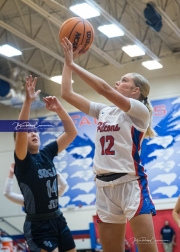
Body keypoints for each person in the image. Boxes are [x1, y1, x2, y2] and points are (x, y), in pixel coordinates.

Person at [60, 37, 158, 252]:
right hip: (103, 187)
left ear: (136, 91)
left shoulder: (139, 111)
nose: (117, 82)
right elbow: (66, 93)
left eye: (124, 80)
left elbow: (103, 89)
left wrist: (73, 63)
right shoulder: (104, 110)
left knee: (147, 249)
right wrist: (66, 64)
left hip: (130, 185)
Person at [14, 75, 78, 252]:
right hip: (38, 225)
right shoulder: (23, 161)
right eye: (29, 132)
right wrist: (28, 102)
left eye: (35, 131)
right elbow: (20, 130)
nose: (33, 133)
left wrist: (59, 109)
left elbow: (72, 132)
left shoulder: (47, 153)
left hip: (58, 218)